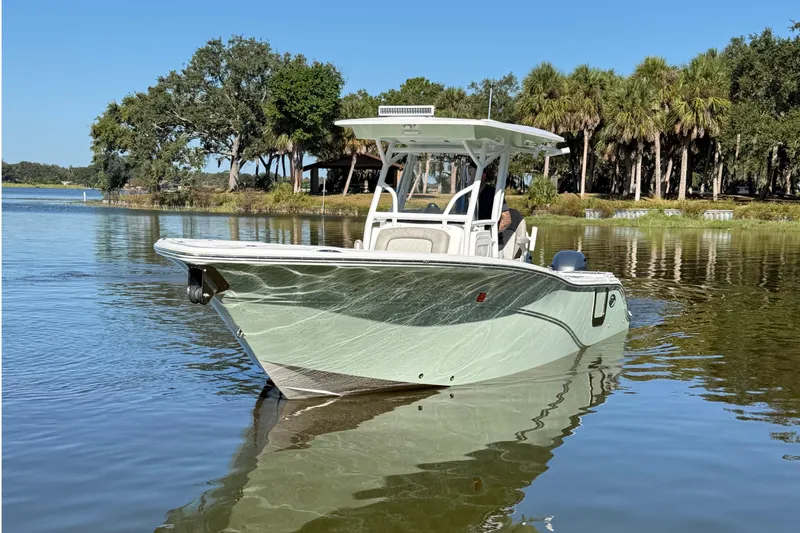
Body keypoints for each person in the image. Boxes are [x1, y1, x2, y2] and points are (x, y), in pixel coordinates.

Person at [467, 161, 523, 254]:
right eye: (468, 174)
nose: (469, 178)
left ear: (483, 175)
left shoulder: (494, 194)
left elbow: (507, 219)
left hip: (491, 243)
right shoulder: (464, 195)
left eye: (472, 174)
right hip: (467, 239)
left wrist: (488, 234)